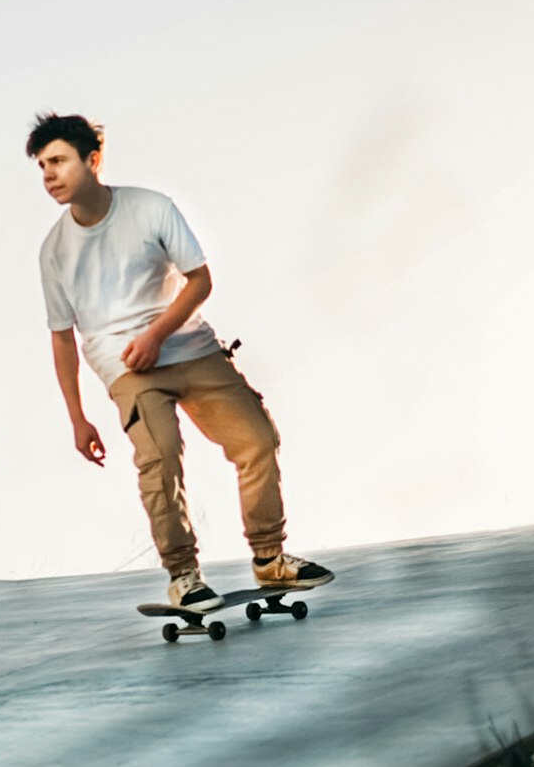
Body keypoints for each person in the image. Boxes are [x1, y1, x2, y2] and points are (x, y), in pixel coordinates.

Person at [28, 111, 333, 612]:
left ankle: (270, 557)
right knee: (160, 456)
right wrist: (77, 417)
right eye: (42, 166)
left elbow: (200, 281)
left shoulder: (150, 208)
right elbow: (62, 339)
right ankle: (184, 575)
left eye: (58, 161)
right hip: (126, 368)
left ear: (93, 160)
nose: (49, 176)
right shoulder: (54, 252)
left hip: (191, 347)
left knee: (257, 439)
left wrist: (156, 335)